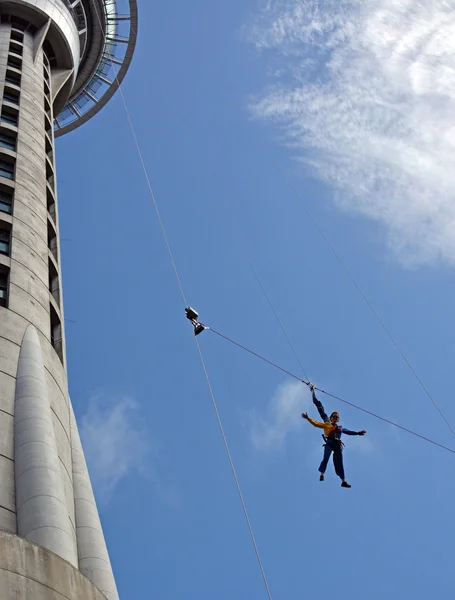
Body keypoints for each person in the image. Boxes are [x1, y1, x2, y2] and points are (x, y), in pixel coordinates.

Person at [302, 385, 366, 488]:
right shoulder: (327, 423)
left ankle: (343, 480)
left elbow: (348, 431)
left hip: (337, 444)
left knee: (339, 462)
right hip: (330, 443)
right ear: (331, 418)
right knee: (326, 457)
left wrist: (358, 433)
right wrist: (308, 418)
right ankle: (322, 473)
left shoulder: (340, 427)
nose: (335, 418)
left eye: (337, 417)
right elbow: (317, 420)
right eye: (334, 417)